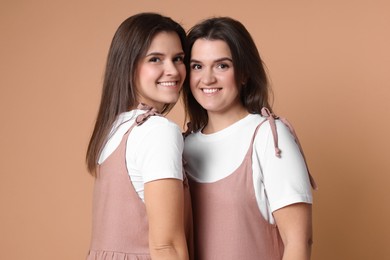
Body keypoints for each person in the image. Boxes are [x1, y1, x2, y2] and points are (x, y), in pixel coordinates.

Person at [182, 17, 317, 260]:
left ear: (244, 73)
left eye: (222, 66)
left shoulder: (269, 137)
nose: (208, 78)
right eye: (197, 66)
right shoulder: (182, 146)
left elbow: (299, 241)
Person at [85, 13, 193, 260]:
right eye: (156, 59)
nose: (173, 71)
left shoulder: (114, 128)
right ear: (128, 64)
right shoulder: (157, 131)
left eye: (178, 59)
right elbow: (167, 246)